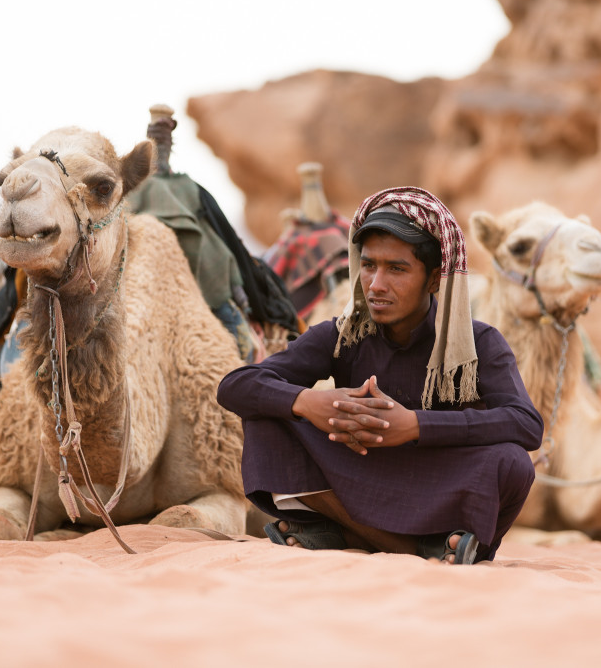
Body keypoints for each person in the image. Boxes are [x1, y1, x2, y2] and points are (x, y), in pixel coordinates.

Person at [217, 186, 543, 564]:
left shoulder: (479, 342)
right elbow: (235, 386)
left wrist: (416, 426)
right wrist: (308, 403)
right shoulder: (341, 335)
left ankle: (343, 534)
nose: (375, 284)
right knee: (268, 416)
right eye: (369, 265)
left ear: (435, 278)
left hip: (436, 481)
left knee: (513, 464)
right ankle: (416, 547)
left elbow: (525, 424)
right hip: (357, 473)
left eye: (397, 269)